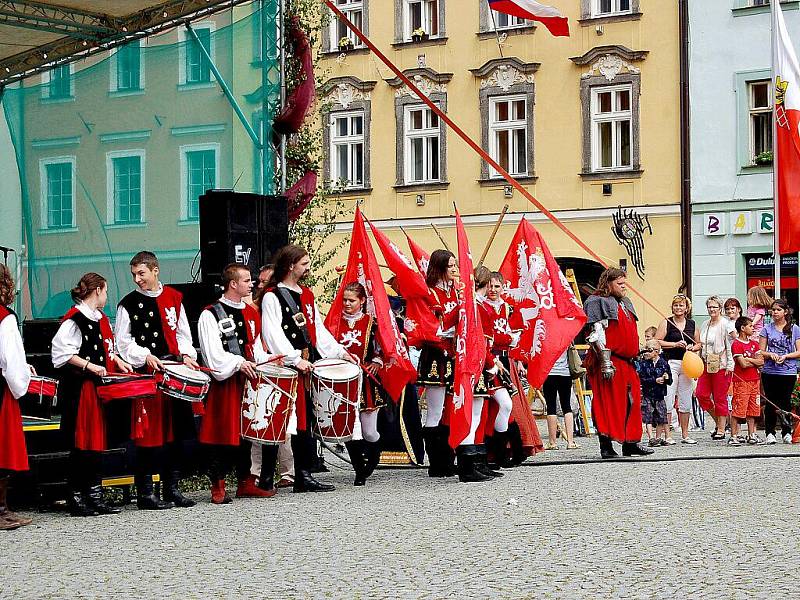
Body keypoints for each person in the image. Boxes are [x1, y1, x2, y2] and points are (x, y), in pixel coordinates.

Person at [261, 244, 357, 492]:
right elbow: (272, 333)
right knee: (280, 421)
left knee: (306, 420)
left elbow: (318, 332)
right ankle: (266, 479)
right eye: (304, 263)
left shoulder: (307, 295)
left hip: (306, 365)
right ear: (291, 265)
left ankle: (303, 474)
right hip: (287, 367)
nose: (308, 268)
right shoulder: (273, 296)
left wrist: (339, 352)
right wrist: (294, 358)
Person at [115, 251, 199, 510]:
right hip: (148, 374)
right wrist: (145, 356)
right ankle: (145, 493)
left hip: (173, 371)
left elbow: (183, 333)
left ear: (155, 270)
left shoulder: (174, 298)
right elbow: (123, 342)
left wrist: (186, 354)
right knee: (149, 435)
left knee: (177, 432)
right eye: (133, 275)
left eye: (141, 273)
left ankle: (171, 488)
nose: (137, 279)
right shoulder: (128, 304)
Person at [198, 264, 284, 503]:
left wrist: (271, 360)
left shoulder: (250, 312)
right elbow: (212, 353)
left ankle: (246, 481)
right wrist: (237, 363)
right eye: (247, 280)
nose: (253, 284)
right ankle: (218, 485)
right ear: (233, 284)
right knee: (223, 433)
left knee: (247, 434)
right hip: (226, 383)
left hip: (248, 380)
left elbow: (255, 348)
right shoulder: (210, 314)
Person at [51, 273, 134, 516]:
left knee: (97, 443)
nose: (106, 296)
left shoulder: (100, 319)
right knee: (84, 443)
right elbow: (61, 354)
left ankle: (95, 495)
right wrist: (89, 366)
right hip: (84, 390)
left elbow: (107, 348)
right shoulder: (74, 320)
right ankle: (77, 496)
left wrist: (117, 361)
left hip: (100, 389)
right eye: (105, 291)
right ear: (97, 290)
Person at [583, 268, 653, 458]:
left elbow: (627, 332)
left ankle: (630, 443)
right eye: (620, 284)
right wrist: (605, 362)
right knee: (607, 404)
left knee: (632, 402)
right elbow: (594, 334)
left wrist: (638, 349)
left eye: (625, 284)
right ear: (608, 284)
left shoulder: (625, 303)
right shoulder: (596, 302)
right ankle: (605, 446)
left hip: (627, 362)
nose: (624, 288)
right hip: (609, 360)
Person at [331, 282, 385, 486]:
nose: (346, 304)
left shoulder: (372, 323)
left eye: (351, 300)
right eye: (344, 300)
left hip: (366, 382)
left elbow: (384, 347)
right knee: (349, 428)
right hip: (343, 382)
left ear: (362, 301)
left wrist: (377, 362)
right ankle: (359, 471)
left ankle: (373, 456)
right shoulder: (334, 324)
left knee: (369, 431)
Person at [417, 249, 460, 477]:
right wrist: (446, 329)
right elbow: (428, 325)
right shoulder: (430, 293)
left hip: (453, 354)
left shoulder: (456, 292)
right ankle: (436, 463)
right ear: (440, 268)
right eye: (450, 266)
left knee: (450, 409)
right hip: (435, 356)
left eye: (455, 265)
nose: (454, 270)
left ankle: (448, 457)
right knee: (434, 410)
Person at [0, 264, 34, 530]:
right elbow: (11, 363)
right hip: (0, 392)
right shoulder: (5, 318)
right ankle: (1, 510)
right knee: (3, 450)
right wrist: (22, 380)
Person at [656, 294, 700, 444]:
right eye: (676, 305)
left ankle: (685, 434)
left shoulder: (692, 324)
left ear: (686, 308)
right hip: (670, 362)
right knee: (668, 397)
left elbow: (699, 343)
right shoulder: (666, 322)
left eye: (681, 305)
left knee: (686, 399)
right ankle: (667, 435)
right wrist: (674, 344)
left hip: (687, 363)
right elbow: (657, 341)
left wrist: (692, 347)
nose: (678, 308)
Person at [759, 299, 800, 444]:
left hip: (788, 371)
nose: (775, 312)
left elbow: (799, 351)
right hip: (770, 371)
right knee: (770, 401)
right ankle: (770, 432)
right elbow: (761, 351)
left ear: (785, 312)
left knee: (786, 402)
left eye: (778, 309)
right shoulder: (766, 329)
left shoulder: (794, 328)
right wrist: (770, 354)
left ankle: (786, 431)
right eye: (773, 309)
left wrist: (786, 356)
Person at [696, 296, 734, 440]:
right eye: (710, 307)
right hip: (707, 363)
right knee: (701, 394)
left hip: (722, 364)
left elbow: (730, 346)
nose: (712, 309)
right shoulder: (705, 324)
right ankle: (719, 421)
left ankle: (722, 429)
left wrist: (730, 365)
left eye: (715, 307)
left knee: (720, 397)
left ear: (720, 308)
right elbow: (701, 344)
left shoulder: (726, 324)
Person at [731, 316, 764, 446]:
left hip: (754, 380)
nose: (753, 328)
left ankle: (752, 434)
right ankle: (734, 435)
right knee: (739, 407)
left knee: (753, 408)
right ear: (743, 328)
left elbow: (761, 361)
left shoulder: (754, 344)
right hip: (741, 381)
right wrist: (753, 361)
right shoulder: (737, 344)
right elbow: (742, 364)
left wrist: (749, 360)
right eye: (750, 326)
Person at [636, 340, 672, 446]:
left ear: (656, 351)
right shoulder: (644, 364)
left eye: (649, 350)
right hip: (648, 394)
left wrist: (666, 378)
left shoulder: (664, 363)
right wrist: (654, 380)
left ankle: (658, 437)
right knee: (648, 416)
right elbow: (642, 379)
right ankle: (651, 437)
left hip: (660, 394)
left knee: (661, 416)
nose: (646, 353)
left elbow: (670, 380)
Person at [541, 350, 577, 451]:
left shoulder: (545, 336)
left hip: (549, 373)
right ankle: (570, 442)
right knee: (567, 406)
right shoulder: (565, 336)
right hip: (565, 374)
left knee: (551, 407)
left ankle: (552, 443)